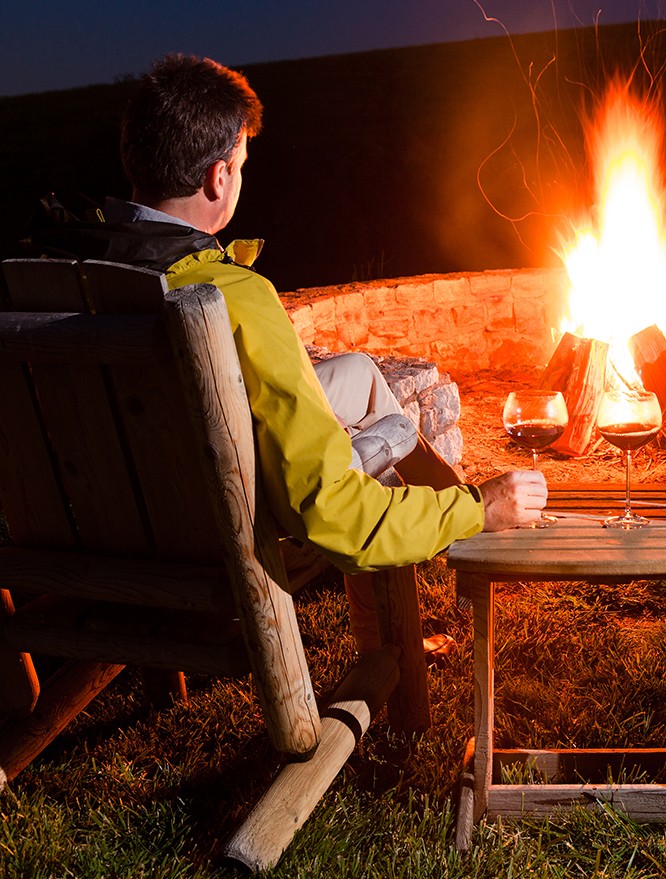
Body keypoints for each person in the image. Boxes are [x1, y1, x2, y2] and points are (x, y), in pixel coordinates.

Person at [20, 54, 548, 658]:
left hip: (103, 520)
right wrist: (474, 509)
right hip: (222, 543)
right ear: (218, 178)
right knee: (393, 427)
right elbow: (331, 516)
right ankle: (446, 559)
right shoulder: (234, 297)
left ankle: (456, 520)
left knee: (359, 375)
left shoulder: (51, 273)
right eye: (241, 165)